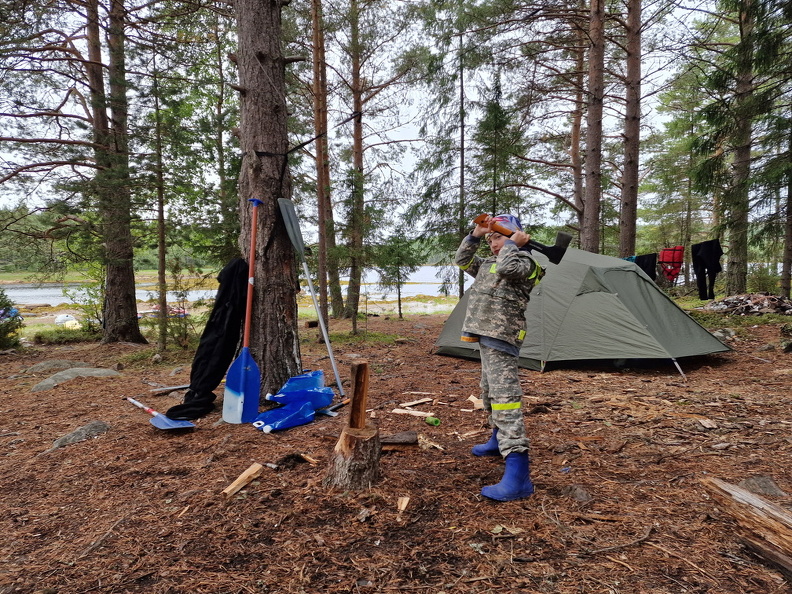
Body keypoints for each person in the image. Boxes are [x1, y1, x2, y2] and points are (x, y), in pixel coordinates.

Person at [455, 214, 544, 501]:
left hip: (503, 338)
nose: (495, 243)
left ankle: (518, 473)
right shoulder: (489, 263)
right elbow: (462, 260)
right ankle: (497, 440)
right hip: (485, 336)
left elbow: (508, 267)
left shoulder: (528, 264)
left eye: (500, 236)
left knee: (507, 401)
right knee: (489, 393)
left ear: (517, 236)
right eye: (492, 238)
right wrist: (476, 234)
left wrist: (514, 245)